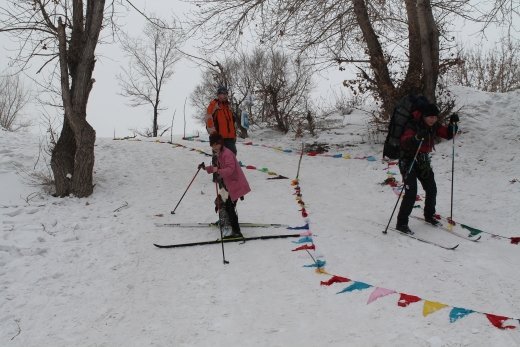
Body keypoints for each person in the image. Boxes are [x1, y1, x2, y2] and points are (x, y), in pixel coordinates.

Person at [396, 103, 459, 234]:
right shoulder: (413, 124)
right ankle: (401, 223)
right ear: (424, 116)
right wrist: (416, 137)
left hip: (423, 161)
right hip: (408, 161)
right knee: (411, 192)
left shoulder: (434, 125)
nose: (432, 119)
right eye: (430, 117)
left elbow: (447, 134)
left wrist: (453, 125)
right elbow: (405, 140)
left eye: (435, 117)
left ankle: (429, 215)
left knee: (431, 188)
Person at [199, 134, 251, 238]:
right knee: (223, 203)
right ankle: (226, 222)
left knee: (229, 206)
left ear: (220, 143)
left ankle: (236, 231)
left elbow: (230, 169)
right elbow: (216, 167)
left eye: (216, 144)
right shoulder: (219, 154)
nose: (214, 147)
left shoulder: (227, 154)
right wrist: (206, 168)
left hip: (235, 184)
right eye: (212, 145)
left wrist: (217, 171)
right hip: (229, 185)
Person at [206, 85, 237, 154]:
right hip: (218, 137)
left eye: (226, 93)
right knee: (218, 157)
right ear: (218, 95)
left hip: (230, 137)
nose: (225, 95)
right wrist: (214, 135)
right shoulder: (214, 104)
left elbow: (231, 122)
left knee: (232, 153)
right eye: (223, 94)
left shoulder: (228, 106)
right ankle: (216, 164)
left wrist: (234, 135)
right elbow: (209, 119)